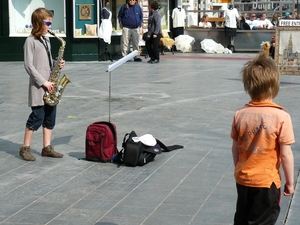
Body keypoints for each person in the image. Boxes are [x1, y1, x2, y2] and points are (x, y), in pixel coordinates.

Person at [231, 54, 295, 224]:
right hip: (267, 183)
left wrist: (238, 168)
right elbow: (286, 154)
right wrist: (290, 182)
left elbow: (235, 147)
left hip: (243, 179)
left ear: (248, 86)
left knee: (242, 218)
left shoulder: (240, 114)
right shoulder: (281, 116)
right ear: (274, 86)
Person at [21, 7, 65, 161]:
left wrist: (56, 63)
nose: (50, 26)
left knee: (50, 117)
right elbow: (29, 66)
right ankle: (25, 147)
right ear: (39, 22)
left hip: (50, 84)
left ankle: (47, 147)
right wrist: (43, 82)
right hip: (39, 86)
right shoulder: (30, 41)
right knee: (37, 117)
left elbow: (47, 60)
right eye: (47, 23)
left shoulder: (46, 39)